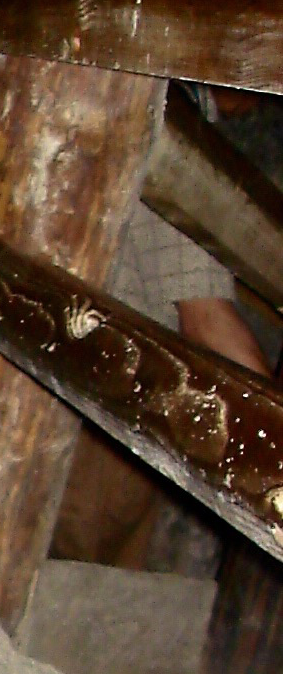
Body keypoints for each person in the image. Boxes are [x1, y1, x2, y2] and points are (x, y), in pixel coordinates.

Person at [52, 186, 269, 566]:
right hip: (102, 412)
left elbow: (209, 325)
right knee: (79, 579)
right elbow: (209, 325)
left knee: (79, 580)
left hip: (111, 418)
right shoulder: (173, 176)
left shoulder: (173, 176)